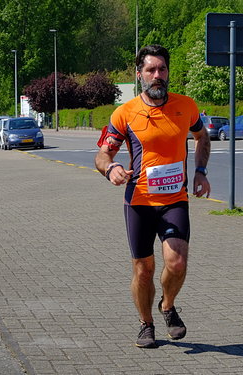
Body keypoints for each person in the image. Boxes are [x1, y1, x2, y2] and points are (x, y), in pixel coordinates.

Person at [95, 44, 211, 349]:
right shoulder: (125, 113)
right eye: (150, 70)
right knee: (143, 270)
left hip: (175, 199)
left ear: (168, 72)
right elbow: (103, 154)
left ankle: (167, 306)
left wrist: (201, 171)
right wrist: (111, 170)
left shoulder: (186, 106)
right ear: (139, 75)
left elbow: (202, 136)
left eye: (162, 69)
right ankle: (146, 324)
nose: (157, 75)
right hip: (139, 202)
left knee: (177, 263)